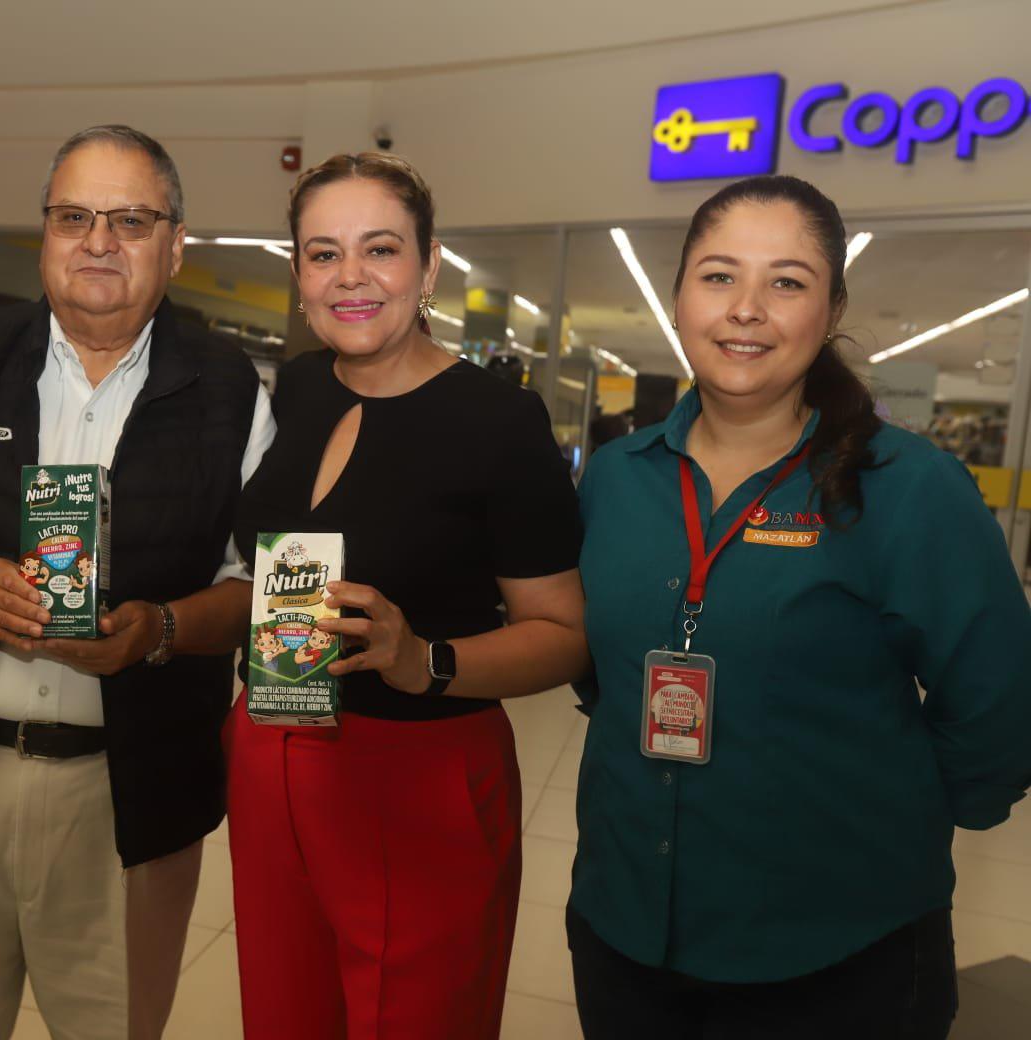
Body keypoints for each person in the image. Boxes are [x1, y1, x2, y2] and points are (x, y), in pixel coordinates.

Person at [569, 174, 1031, 1039]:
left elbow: (998, 705)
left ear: (832, 310)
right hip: (625, 927)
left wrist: (894, 831)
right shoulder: (618, 480)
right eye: (718, 275)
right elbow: (605, 672)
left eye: (786, 282)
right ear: (678, 297)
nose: (747, 308)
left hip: (835, 952)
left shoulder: (907, 488)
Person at [0, 124, 274, 1040]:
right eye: (74, 216)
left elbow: (261, 588)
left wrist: (157, 630)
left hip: (128, 798)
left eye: (131, 219)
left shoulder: (233, 394)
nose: (98, 241)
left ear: (175, 244)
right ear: (43, 232)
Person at [226, 152, 589, 1039]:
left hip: (416, 775)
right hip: (272, 746)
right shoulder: (300, 386)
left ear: (427, 268)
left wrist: (421, 657)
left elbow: (565, 633)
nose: (350, 277)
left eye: (379, 249)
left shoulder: (499, 423)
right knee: (284, 1012)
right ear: (299, 274)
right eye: (322, 253)